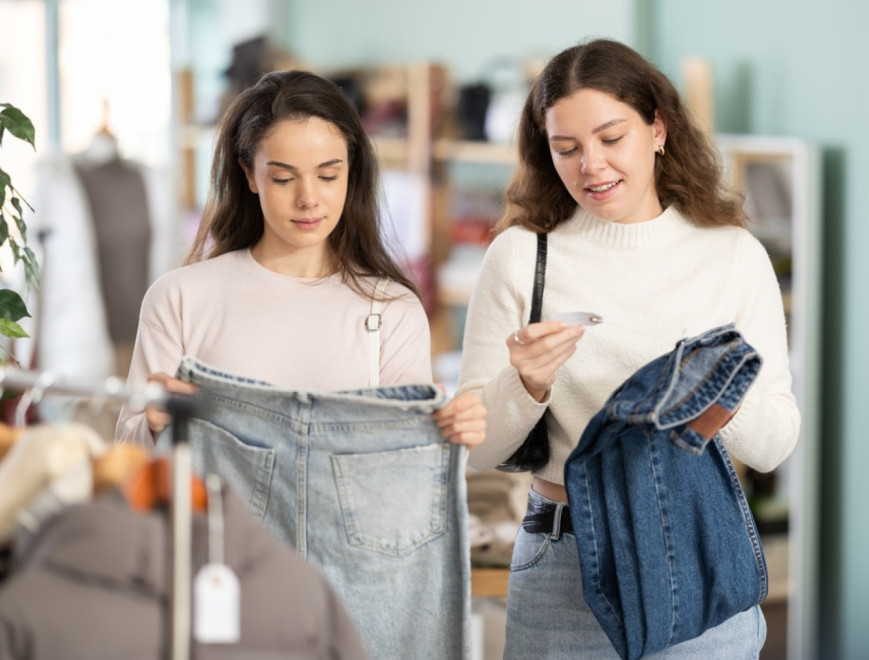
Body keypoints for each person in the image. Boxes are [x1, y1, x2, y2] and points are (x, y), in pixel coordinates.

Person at [455, 39, 800, 657]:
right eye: (567, 148)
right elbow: (478, 450)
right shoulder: (521, 256)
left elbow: (773, 445)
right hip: (564, 560)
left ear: (658, 129)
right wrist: (525, 384)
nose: (591, 166)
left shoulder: (732, 256)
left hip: (697, 547)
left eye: (611, 138)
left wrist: (713, 387)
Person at [115, 69, 485, 449]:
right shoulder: (179, 299)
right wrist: (156, 423)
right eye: (283, 178)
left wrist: (447, 434)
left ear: (351, 172)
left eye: (328, 176)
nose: (308, 199)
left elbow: (406, 462)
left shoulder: (393, 310)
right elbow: (128, 457)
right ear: (250, 174)